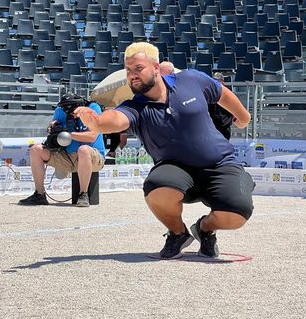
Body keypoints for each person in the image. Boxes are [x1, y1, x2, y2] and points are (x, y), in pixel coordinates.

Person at [74, 42, 254, 259]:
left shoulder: (190, 80)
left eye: (138, 68)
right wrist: (97, 122)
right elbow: (114, 120)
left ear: (156, 68)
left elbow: (220, 93)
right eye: (128, 70)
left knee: (238, 213)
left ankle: (205, 229)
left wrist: (243, 117)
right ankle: (178, 233)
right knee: (155, 187)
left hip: (220, 163)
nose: (132, 75)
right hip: (176, 170)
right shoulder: (135, 107)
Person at [19, 93, 106, 207]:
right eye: (66, 109)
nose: (70, 112)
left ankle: (83, 194)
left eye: (73, 109)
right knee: (35, 149)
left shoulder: (92, 108)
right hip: (67, 157)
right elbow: (51, 130)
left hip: (93, 157)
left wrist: (69, 134)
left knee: (83, 149)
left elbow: (92, 136)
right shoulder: (60, 111)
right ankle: (39, 194)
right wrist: (51, 127)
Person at [208, 73, 234, 141]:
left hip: (224, 129)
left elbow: (233, 113)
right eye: (213, 81)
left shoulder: (229, 96)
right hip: (211, 129)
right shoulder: (208, 95)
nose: (215, 83)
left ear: (222, 82)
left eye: (217, 81)